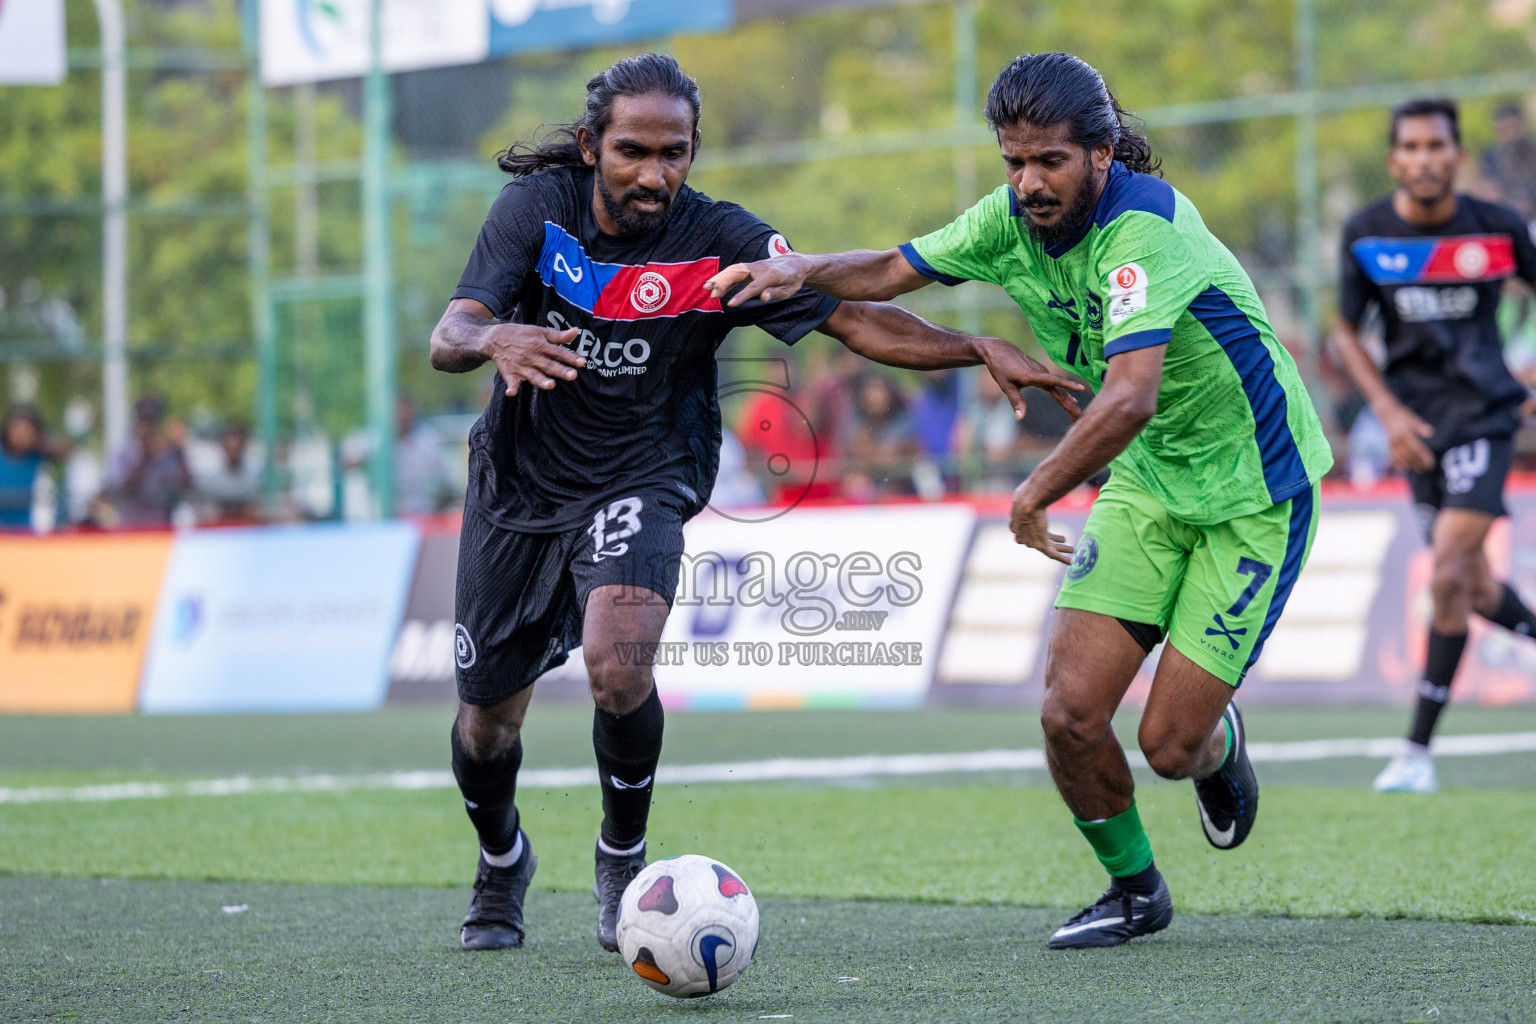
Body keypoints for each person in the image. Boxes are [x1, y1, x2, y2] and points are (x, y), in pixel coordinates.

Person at [427, 52, 1083, 954]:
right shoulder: (535, 214)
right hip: (518, 486)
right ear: (589, 146)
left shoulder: (724, 239)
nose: (655, 173)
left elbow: (854, 320)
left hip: (644, 475)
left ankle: (623, 853)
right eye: (632, 151)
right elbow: (450, 332)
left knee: (620, 665)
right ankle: (502, 861)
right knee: (486, 722)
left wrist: (974, 346)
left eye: (675, 152)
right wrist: (496, 334)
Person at [707, 51, 1333, 949]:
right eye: (1014, 161)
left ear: (1103, 155)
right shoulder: (1009, 220)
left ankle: (1218, 746)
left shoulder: (1145, 227)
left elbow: (1127, 397)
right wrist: (800, 269)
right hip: (1150, 484)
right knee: (1068, 715)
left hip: (1256, 494)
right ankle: (1135, 891)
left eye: (1050, 162)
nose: (1028, 183)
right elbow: (890, 268)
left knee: (1167, 746)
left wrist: (1034, 491)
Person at [1334, 98, 1536, 794]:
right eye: (1411, 147)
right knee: (1475, 587)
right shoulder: (1366, 236)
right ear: (1395, 160)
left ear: (1457, 156)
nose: (1424, 158)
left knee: (1449, 570)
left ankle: (1416, 753)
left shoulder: (1501, 230)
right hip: (1414, 433)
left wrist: (1528, 367)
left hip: (1484, 417)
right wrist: (1385, 410)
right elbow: (1344, 331)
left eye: (1437, 146)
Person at [105, 395, 192, 527]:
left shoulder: (167, 453)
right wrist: (145, 457)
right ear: (136, 423)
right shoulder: (122, 454)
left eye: (152, 422)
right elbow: (121, 490)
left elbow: (187, 488)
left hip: (162, 529)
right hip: (131, 527)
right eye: (144, 421)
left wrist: (178, 452)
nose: (148, 428)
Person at [0, 405, 64, 529]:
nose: (21, 434)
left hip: (33, 535)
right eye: (16, 428)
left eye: (27, 430)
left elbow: (67, 449)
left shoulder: (40, 458)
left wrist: (43, 444)